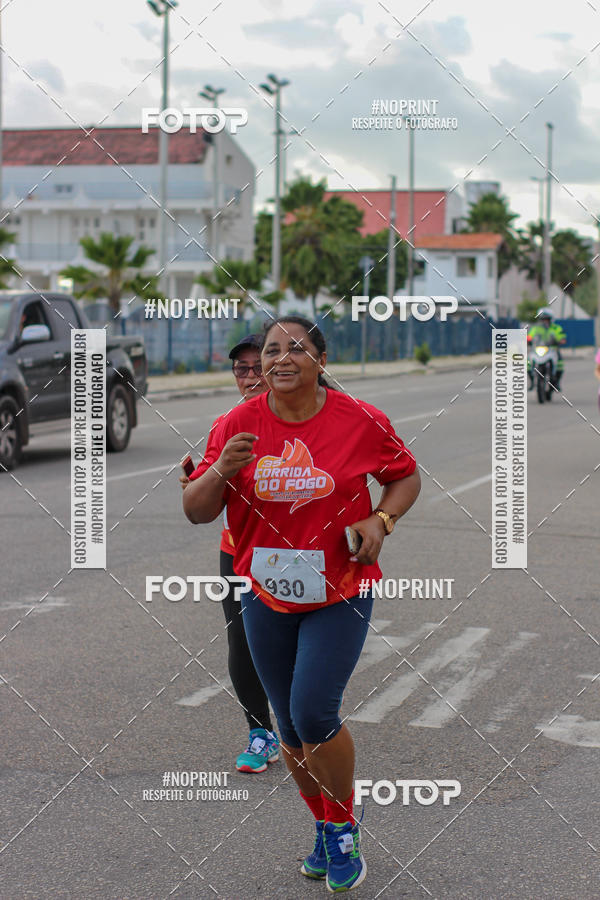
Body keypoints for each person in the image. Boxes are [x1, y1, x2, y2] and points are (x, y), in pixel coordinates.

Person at [183, 316, 421, 893]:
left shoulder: (359, 419)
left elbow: (405, 477)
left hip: (341, 588)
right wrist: (222, 468)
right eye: (271, 350)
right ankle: (325, 824)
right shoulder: (237, 423)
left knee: (314, 711)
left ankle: (342, 830)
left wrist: (381, 520)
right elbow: (196, 510)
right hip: (264, 593)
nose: (281, 358)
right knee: (289, 725)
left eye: (297, 348)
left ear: (321, 360)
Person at [182, 334, 280, 774]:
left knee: (300, 644)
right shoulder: (227, 425)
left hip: (304, 555)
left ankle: (307, 724)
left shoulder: (308, 420)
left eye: (259, 366)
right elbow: (204, 494)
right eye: (242, 369)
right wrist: (204, 482)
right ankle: (261, 733)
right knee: (243, 641)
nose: (251, 377)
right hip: (240, 553)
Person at [529, 307, 567, 389]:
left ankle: (556, 382)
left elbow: (562, 337)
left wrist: (561, 340)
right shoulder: (536, 328)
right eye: (542, 319)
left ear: (550, 319)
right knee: (528, 363)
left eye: (546, 319)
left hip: (552, 349)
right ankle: (531, 381)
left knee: (560, 364)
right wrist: (527, 340)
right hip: (538, 349)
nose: (544, 321)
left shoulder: (556, 328)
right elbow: (529, 336)